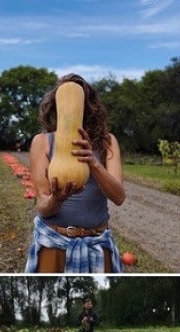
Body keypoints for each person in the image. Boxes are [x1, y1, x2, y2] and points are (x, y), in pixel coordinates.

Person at [25, 74, 126, 273]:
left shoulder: (107, 142)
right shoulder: (42, 142)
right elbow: (43, 207)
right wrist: (56, 199)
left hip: (97, 243)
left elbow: (119, 197)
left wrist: (94, 163)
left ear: (89, 104)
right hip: (54, 243)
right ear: (56, 104)